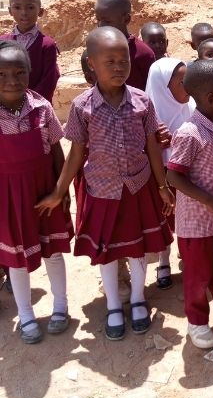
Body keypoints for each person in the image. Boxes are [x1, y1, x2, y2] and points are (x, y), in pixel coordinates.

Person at [36, 27, 175, 342]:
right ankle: (114, 304)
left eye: (123, 60)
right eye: (108, 61)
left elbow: (153, 146)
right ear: (91, 65)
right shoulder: (82, 106)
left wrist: (162, 185)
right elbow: (76, 155)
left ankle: (138, 299)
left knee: (138, 248)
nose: (117, 67)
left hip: (139, 187)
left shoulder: (141, 101)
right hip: (103, 190)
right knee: (109, 252)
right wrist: (60, 190)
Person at [0, 41, 72, 344]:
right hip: (8, 196)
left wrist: (60, 190)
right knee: (17, 259)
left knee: (53, 252)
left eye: (19, 73)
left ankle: (60, 306)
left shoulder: (42, 107)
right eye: (1, 75)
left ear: (30, 73)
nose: (11, 81)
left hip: (45, 191)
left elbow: (56, 151)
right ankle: (26, 315)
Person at [165, 59, 213, 349]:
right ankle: (197, 323)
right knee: (198, 279)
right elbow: (174, 175)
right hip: (197, 226)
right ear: (211, 98)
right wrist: (209, 200)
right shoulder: (190, 132)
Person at [146, 58, 194, 289]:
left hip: (189, 174)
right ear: (162, 87)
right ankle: (163, 262)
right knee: (164, 218)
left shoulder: (193, 106)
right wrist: (154, 142)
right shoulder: (147, 115)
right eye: (181, 82)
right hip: (161, 175)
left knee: (188, 218)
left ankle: (189, 257)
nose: (188, 87)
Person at [1, 0, 60, 102]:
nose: (24, 12)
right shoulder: (2, 42)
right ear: (10, 11)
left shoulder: (47, 44)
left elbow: (49, 80)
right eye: (17, 7)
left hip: (35, 106)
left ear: (41, 11)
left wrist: (28, 103)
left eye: (30, 7)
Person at [94, 0, 156, 89]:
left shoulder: (142, 54)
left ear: (126, 19)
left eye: (107, 21)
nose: (100, 26)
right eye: (98, 20)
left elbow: (151, 92)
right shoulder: (97, 49)